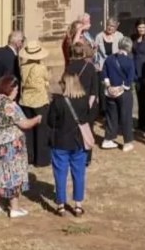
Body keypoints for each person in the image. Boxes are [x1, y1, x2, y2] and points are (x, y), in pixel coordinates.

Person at [0, 74, 41, 218]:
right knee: (11, 173)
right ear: (10, 89)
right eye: (16, 90)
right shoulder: (9, 104)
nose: (17, 93)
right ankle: (14, 208)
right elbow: (24, 123)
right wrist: (38, 118)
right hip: (8, 144)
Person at [46, 72, 95, 216]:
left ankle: (61, 205)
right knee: (79, 173)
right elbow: (87, 117)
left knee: (60, 173)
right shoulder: (83, 100)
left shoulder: (58, 101)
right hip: (79, 142)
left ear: (65, 84)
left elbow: (50, 121)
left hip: (60, 142)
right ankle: (78, 205)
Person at [19, 41, 51, 168]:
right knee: (41, 130)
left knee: (28, 130)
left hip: (26, 100)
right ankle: (41, 159)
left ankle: (29, 156)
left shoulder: (23, 66)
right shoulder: (41, 67)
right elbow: (47, 79)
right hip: (40, 100)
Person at [102, 37, 136, 151]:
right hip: (123, 93)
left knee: (111, 117)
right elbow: (130, 78)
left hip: (109, 92)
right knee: (126, 117)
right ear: (129, 47)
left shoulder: (109, 59)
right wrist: (121, 88)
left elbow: (104, 74)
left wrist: (109, 87)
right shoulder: (129, 61)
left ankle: (108, 139)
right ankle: (127, 142)